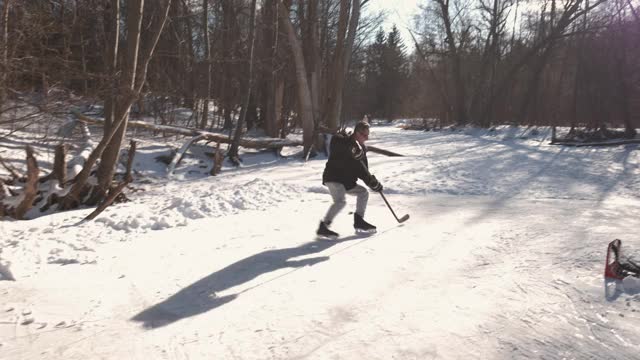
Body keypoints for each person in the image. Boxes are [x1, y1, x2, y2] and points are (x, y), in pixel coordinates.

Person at [317, 121, 383, 238]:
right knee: (340, 201)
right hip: (334, 177)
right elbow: (337, 146)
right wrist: (351, 148)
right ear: (357, 133)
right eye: (364, 135)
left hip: (346, 181)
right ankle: (324, 227)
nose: (366, 138)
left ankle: (359, 221)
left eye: (368, 135)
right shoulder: (342, 140)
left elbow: (363, 171)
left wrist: (373, 183)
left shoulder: (361, 149)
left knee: (363, 193)